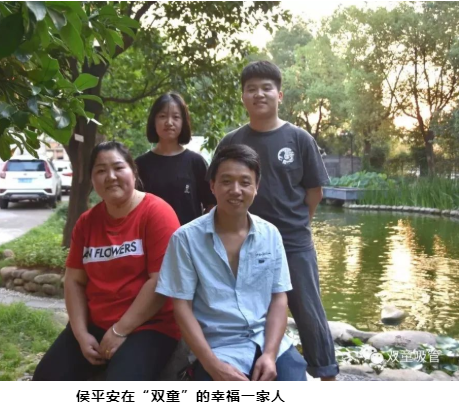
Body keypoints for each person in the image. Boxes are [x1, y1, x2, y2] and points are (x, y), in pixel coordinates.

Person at [214, 61, 338, 380]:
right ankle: (248, 367)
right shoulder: (231, 142)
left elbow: (314, 192)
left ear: (279, 95)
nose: (259, 94)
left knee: (308, 310)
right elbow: (219, 189)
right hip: (243, 244)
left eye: (266, 88)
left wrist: (297, 225)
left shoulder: (299, 138)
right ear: (243, 96)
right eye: (251, 89)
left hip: (293, 242)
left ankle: (326, 374)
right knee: (245, 310)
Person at [156, 144, 307, 381]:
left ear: (256, 187)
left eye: (245, 182)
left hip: (267, 342)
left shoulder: (270, 235)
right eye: (226, 181)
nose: (235, 190)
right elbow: (181, 307)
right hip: (218, 348)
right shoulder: (185, 239)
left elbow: (279, 298)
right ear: (212, 186)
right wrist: (212, 365)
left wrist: (269, 354)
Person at [33, 141, 181, 381]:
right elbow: (74, 281)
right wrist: (81, 334)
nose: (110, 177)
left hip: (149, 325)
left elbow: (160, 281)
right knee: (46, 378)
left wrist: (120, 330)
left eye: (118, 167)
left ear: (133, 171)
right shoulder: (86, 222)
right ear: (92, 179)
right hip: (96, 323)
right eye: (101, 170)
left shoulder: (157, 213)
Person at [135, 92, 216, 225]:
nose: (169, 122)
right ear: (153, 121)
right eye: (162, 116)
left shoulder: (196, 162)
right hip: (150, 235)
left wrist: (200, 230)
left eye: (176, 117)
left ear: (183, 122)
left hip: (189, 236)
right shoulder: (140, 165)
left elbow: (211, 204)